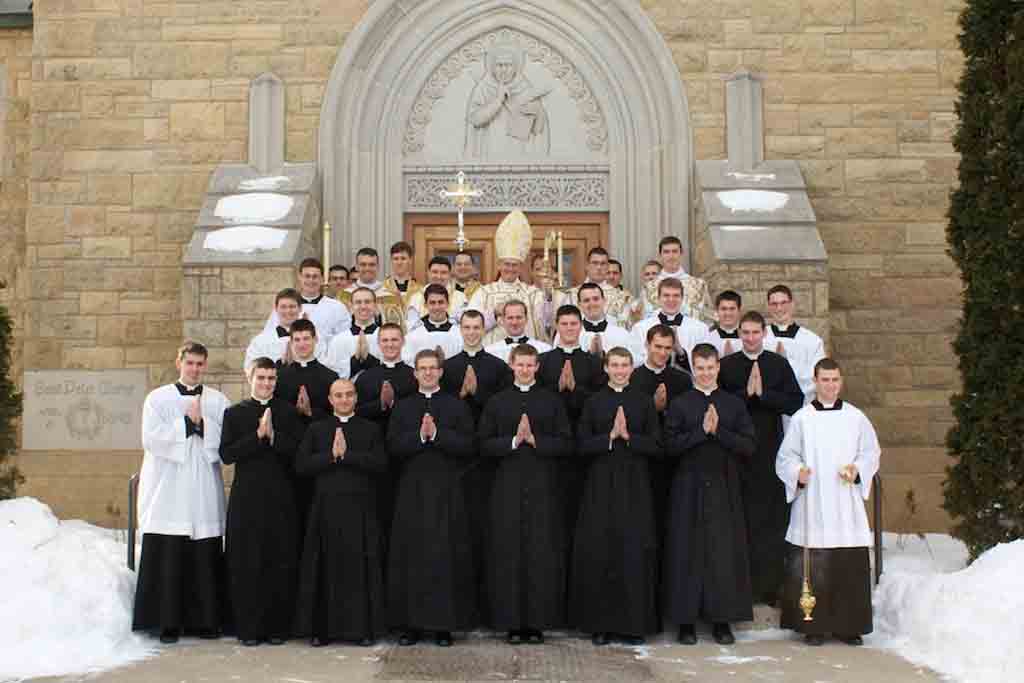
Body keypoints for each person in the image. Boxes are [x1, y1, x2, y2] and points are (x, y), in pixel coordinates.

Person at [776, 359, 880, 647]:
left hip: (844, 501)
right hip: (813, 500)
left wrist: (858, 468)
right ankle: (813, 626)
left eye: (835, 380)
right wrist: (798, 472)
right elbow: (785, 457)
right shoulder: (802, 419)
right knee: (813, 563)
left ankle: (849, 626)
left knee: (848, 564)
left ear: (841, 381)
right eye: (825, 380)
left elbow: (871, 452)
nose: (830, 385)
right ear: (816, 381)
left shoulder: (856, 417)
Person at [133, 341, 230, 643]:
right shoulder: (157, 399)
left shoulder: (217, 400)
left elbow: (225, 439)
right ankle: (167, 623)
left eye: (200, 364)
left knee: (204, 550)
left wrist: (205, 426)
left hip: (202, 484)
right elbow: (151, 438)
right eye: (190, 363)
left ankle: (206, 621)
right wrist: (187, 423)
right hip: (168, 485)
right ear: (179, 363)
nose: (195, 369)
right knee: (169, 552)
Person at [663, 343, 756, 646]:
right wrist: (701, 432)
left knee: (722, 554)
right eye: (699, 368)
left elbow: (748, 445)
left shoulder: (733, 404)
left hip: (723, 485)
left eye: (710, 367)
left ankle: (721, 621)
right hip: (687, 486)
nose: (705, 373)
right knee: (686, 553)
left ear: (718, 368)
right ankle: (686, 623)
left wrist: (719, 433)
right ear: (693, 369)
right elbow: (669, 446)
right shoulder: (680, 404)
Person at [478, 344, 572, 644]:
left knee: (539, 554)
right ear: (511, 365)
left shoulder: (551, 401)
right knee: (508, 553)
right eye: (520, 365)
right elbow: (482, 444)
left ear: (537, 367)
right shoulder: (497, 402)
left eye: (530, 365)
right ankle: (511, 623)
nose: (525, 370)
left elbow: (566, 443)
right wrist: (514, 442)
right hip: (506, 487)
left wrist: (536, 440)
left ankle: (537, 623)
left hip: (543, 486)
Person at [387, 349, 478, 647]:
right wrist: (420, 438)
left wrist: (437, 436)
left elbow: (469, 445)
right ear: (414, 373)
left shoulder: (455, 406)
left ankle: (443, 626)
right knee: (411, 556)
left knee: (444, 556)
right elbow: (392, 446)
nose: (427, 373)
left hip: (446, 490)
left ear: (441, 372)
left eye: (432, 368)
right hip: (411, 490)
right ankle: (411, 625)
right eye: (422, 368)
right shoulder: (402, 408)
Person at [570, 347, 661, 645]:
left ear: (632, 369)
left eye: (625, 365)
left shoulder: (644, 403)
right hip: (601, 485)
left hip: (635, 486)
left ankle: (633, 625)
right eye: (615, 365)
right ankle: (601, 625)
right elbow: (581, 445)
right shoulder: (594, 402)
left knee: (633, 551)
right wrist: (608, 438)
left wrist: (630, 438)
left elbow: (658, 446)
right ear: (606, 368)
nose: (620, 370)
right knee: (601, 551)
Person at [294, 379, 388, 647]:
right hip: (325, 508)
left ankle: (361, 629)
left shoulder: (370, 429)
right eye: (339, 395)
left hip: (360, 509)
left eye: (348, 395)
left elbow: (380, 463)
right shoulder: (317, 429)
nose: (344, 400)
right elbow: (301, 465)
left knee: (360, 569)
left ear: (356, 398)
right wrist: (331, 457)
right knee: (324, 569)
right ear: (330, 399)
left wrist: (347, 456)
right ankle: (322, 630)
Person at [719, 311, 804, 605]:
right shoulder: (727, 365)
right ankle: (740, 588)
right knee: (738, 519)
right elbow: (717, 402)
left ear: (764, 333)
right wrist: (746, 394)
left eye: (756, 332)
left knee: (770, 520)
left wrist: (764, 395)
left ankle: (770, 588)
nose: (751, 338)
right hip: (736, 452)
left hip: (769, 451)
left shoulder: (777, 364)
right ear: (739, 333)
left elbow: (796, 402)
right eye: (746, 333)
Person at [219, 357, 303, 647]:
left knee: (279, 560)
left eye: (271, 379)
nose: (266, 383)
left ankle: (278, 627)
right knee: (247, 562)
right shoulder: (235, 413)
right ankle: (249, 627)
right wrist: (257, 436)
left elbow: (298, 453)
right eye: (261, 378)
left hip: (281, 496)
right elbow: (227, 454)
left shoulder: (288, 412)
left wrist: (274, 436)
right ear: (250, 377)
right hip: (247, 498)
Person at [628, 324, 694, 571]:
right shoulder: (633, 377)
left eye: (668, 348)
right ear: (647, 345)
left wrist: (666, 411)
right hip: (642, 462)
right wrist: (651, 409)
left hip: (673, 462)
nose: (663, 353)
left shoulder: (681, 380)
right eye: (658, 347)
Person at [353, 323, 417, 551]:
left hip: (407, 455)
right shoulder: (366, 378)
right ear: (378, 344)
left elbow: (420, 411)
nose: (390, 344)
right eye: (385, 340)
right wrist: (380, 405)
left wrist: (395, 405)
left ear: (402, 342)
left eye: (394, 340)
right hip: (374, 453)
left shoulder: (413, 376)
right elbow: (355, 413)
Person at [274, 318, 339, 529]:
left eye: (306, 339)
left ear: (315, 340)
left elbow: (336, 416)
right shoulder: (280, 378)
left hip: (319, 453)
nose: (302, 344)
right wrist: (295, 412)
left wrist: (311, 412)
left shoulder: (330, 377)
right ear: (291, 343)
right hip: (289, 453)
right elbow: (276, 415)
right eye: (297, 339)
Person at [468, 210, 552, 341]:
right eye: (507, 264)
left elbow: (547, 323)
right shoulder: (484, 293)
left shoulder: (533, 294)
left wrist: (548, 295)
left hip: (526, 355)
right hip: (494, 354)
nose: (510, 269)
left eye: (515, 265)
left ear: (521, 267)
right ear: (499, 265)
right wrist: (494, 313)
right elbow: (471, 325)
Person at [764, 284, 826, 407]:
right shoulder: (758, 337)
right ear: (768, 307)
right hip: (767, 408)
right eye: (774, 304)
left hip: (801, 406)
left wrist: (785, 365)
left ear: (792, 304)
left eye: (783, 303)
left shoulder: (812, 340)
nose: (779, 308)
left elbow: (817, 377)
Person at [264, 258, 351, 345]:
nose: (311, 280)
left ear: (322, 279)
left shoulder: (337, 307)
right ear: (300, 277)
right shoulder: (285, 307)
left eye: (315, 276)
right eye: (307, 276)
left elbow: (345, 339)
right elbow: (268, 336)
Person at [631, 277, 709, 371]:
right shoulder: (640, 328)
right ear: (659, 298)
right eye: (666, 295)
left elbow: (705, 363)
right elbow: (634, 360)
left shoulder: (700, 328)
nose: (671, 300)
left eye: (676, 295)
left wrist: (680, 352)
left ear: (682, 298)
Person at [244, 288, 327, 372]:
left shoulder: (315, 338)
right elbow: (251, 370)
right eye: (283, 307)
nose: (288, 311)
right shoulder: (260, 341)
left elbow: (323, 366)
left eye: (292, 306)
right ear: (276, 309)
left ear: (300, 308)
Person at [644, 236, 713, 323]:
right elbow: (645, 318)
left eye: (675, 251)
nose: (671, 256)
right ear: (660, 255)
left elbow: (708, 318)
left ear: (681, 253)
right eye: (666, 252)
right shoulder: (649, 288)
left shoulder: (699, 285)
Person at [562, 247, 632, 326]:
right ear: (587, 265)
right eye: (595, 263)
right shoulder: (572, 295)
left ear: (607, 266)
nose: (599, 267)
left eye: (603, 264)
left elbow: (625, 328)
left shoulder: (620, 297)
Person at [324, 286, 383, 379]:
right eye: (358, 302)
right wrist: (355, 361)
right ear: (351, 306)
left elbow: (391, 368)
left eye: (367, 302)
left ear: (375, 305)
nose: (363, 306)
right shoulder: (338, 340)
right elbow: (331, 372)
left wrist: (369, 359)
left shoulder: (386, 337)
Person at [569, 282, 637, 361]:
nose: (592, 303)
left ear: (604, 301)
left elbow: (632, 361)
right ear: (579, 305)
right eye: (586, 300)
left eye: (596, 299)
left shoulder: (621, 333)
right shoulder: (569, 334)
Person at [402, 284, 464, 364]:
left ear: (448, 304)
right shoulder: (414, 335)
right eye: (432, 303)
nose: (437, 307)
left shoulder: (459, 334)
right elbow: (409, 363)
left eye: (441, 302)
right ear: (425, 305)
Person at [405, 256, 468, 331]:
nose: (439, 276)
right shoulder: (416, 298)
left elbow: (465, 325)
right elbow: (411, 327)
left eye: (443, 273)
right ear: (428, 273)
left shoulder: (460, 298)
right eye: (435, 272)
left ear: (450, 274)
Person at [483, 299, 553, 363]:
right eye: (510, 318)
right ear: (503, 320)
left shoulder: (544, 349)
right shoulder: (490, 352)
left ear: (526, 319)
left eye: (519, 317)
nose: (514, 322)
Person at [382, 241, 423, 310]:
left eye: (403, 258)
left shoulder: (420, 291)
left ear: (410, 260)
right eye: (396, 259)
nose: (399, 262)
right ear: (391, 261)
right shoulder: (382, 289)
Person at [707, 290, 743, 357]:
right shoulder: (708, 339)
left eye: (732, 309)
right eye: (724, 309)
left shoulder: (750, 339)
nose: (728, 313)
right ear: (717, 311)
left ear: (739, 311)